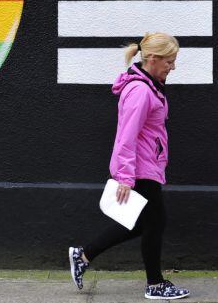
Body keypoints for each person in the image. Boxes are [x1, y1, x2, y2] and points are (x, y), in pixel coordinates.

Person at [68, 32, 190, 300]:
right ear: (154, 59)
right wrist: (125, 177)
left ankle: (83, 255)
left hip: (148, 163)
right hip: (141, 168)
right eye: (170, 61)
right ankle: (155, 285)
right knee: (155, 223)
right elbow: (126, 136)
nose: (173, 67)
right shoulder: (141, 91)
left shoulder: (149, 86)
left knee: (142, 224)